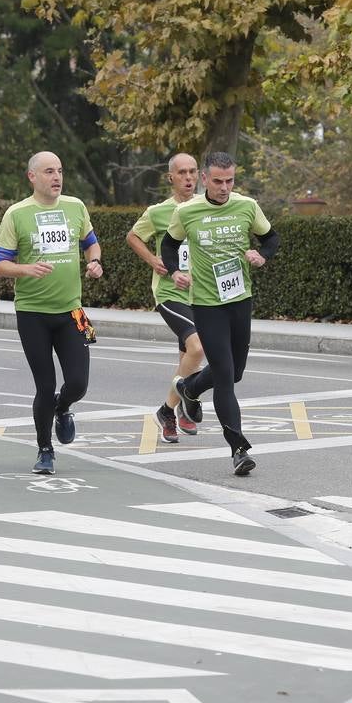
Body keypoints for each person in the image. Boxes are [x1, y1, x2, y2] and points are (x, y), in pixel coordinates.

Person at [159, 152, 279, 477]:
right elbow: (168, 247)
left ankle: (190, 388)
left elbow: (271, 239)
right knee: (225, 376)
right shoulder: (187, 211)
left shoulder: (247, 206)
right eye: (218, 181)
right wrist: (174, 271)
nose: (224, 188)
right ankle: (238, 448)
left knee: (236, 371)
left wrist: (261, 256)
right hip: (207, 304)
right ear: (204, 180)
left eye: (230, 181)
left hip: (240, 299)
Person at [0, 151, 102, 475]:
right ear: (32, 177)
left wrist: (94, 261)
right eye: (49, 172)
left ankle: (63, 408)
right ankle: (44, 450)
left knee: (79, 383)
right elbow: (1, 265)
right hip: (32, 313)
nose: (57, 177)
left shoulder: (75, 207)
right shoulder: (17, 213)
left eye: (60, 171)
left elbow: (91, 243)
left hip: (73, 312)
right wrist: (26, 269)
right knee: (44, 385)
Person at [126, 153, 205, 443]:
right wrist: (152, 260)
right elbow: (133, 236)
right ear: (170, 177)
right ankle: (180, 403)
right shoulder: (158, 212)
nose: (188, 178)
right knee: (197, 348)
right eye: (181, 172)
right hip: (170, 293)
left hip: (202, 293)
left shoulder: (206, 208)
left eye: (192, 172)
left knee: (188, 359)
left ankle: (172, 410)